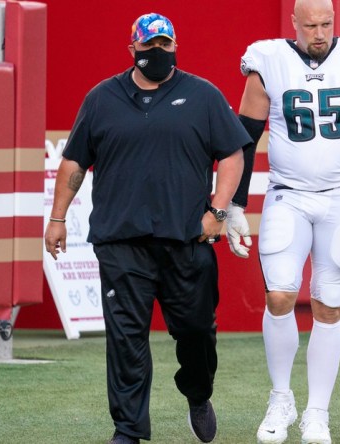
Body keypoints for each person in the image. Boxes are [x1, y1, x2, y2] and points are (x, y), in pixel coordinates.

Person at [43, 12, 250, 444]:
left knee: (196, 332)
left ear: (175, 47)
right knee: (126, 339)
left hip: (187, 241)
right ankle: (128, 430)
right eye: (149, 46)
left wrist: (218, 212)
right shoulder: (101, 98)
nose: (157, 52)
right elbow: (75, 161)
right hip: (122, 242)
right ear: (132, 49)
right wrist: (58, 218)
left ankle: (197, 392)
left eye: (165, 45)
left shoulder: (203, 95)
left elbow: (232, 155)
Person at [225, 0, 340, 442]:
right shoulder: (267, 60)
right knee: (280, 297)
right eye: (310, 25)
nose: (319, 33)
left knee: (328, 305)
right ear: (294, 23)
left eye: (326, 23)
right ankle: (281, 398)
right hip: (288, 196)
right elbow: (244, 139)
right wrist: (234, 204)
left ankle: (317, 412)